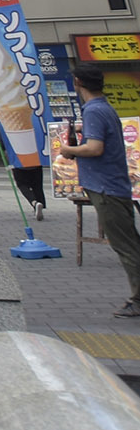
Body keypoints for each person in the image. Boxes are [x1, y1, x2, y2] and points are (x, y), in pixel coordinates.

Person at [59, 65, 140, 316]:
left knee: (126, 246)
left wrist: (69, 150)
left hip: (106, 188)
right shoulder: (103, 107)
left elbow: (95, 149)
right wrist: (83, 132)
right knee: (130, 242)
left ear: (77, 82)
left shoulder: (93, 110)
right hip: (113, 185)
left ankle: (138, 299)